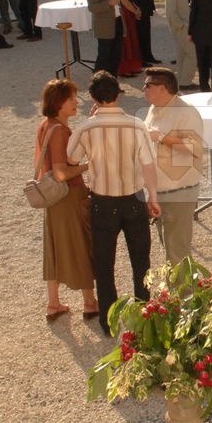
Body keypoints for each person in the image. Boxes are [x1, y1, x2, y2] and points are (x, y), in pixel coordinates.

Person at [67, 71, 161, 335]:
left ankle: (108, 321)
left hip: (102, 203)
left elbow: (72, 158)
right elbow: (148, 165)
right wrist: (153, 196)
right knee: (141, 260)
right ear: (118, 94)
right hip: (133, 199)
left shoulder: (86, 128)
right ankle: (146, 316)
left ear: (93, 98)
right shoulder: (136, 125)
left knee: (104, 263)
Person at [35, 79, 97, 321]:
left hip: (53, 198)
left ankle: (53, 302)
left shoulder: (46, 125)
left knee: (53, 247)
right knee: (80, 245)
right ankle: (90, 303)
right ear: (58, 102)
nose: (75, 102)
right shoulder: (60, 130)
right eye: (71, 98)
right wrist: (89, 166)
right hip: (68, 196)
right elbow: (61, 172)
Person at [143, 67, 205, 267]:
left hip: (178, 191)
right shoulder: (155, 108)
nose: (143, 88)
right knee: (167, 246)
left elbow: (194, 149)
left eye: (147, 85)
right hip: (159, 189)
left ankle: (184, 297)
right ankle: (175, 294)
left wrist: (161, 138)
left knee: (177, 251)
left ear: (162, 88)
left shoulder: (186, 113)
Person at [87, 0, 124, 76]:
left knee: (116, 55)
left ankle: (112, 83)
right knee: (104, 57)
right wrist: (108, 3)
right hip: (104, 26)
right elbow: (92, 7)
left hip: (117, 22)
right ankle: (98, 84)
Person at [164, 0, 197, 87]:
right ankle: (185, 82)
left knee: (182, 53)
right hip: (182, 27)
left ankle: (182, 80)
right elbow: (170, 11)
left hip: (184, 25)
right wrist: (181, 25)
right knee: (192, 54)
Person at [113, 0, 144, 77]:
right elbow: (124, 0)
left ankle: (133, 66)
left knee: (132, 38)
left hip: (128, 11)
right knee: (126, 40)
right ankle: (125, 68)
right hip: (124, 12)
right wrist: (135, 11)